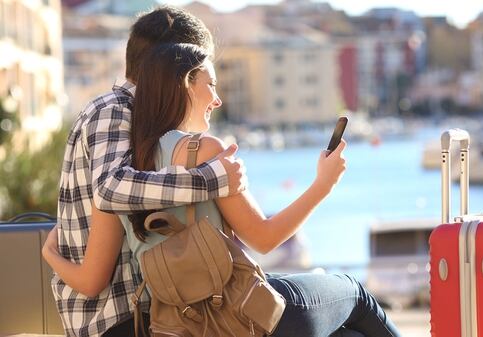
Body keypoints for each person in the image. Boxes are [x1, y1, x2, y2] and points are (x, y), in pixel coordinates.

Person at [47, 40, 401, 337]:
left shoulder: (120, 175)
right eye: (211, 84)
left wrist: (49, 254)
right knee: (355, 293)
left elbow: (92, 279)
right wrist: (323, 184)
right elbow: (264, 238)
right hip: (242, 314)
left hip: (180, 324)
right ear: (185, 84)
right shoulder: (206, 151)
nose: (217, 99)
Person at [42, 6, 247, 337]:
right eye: (199, 73)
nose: (208, 93)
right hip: (122, 318)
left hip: (151, 310)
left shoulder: (150, 125)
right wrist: (212, 179)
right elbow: (110, 188)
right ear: (173, 66)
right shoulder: (113, 110)